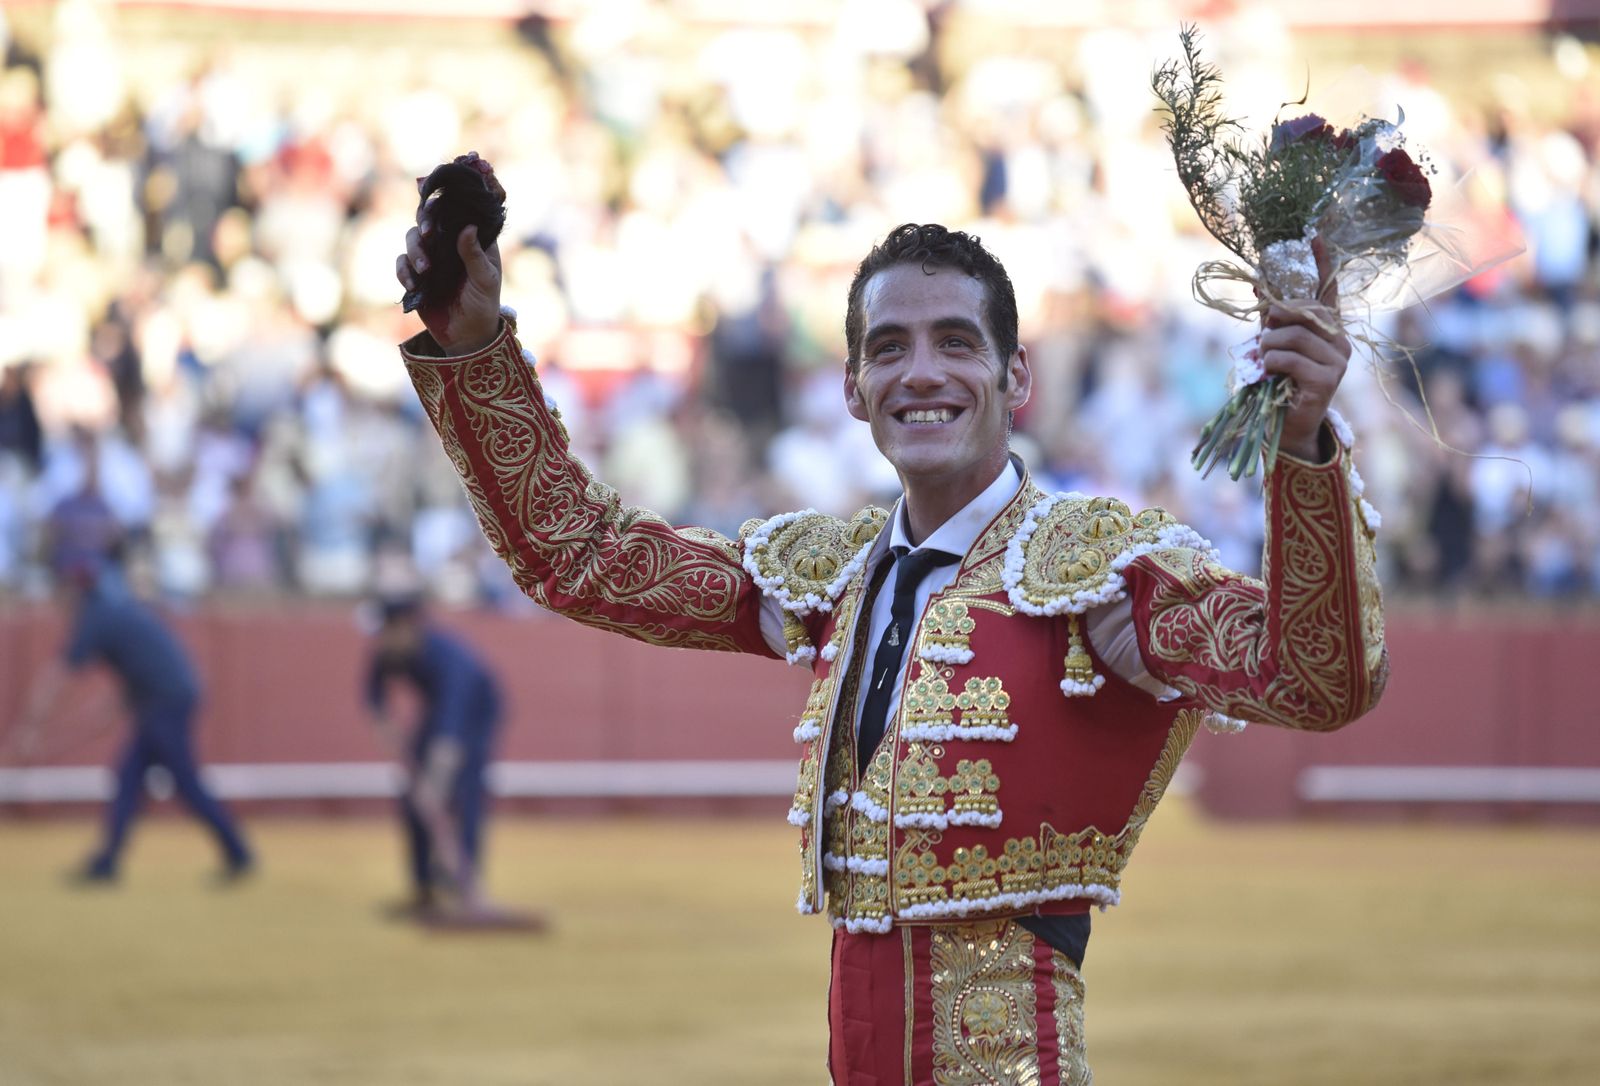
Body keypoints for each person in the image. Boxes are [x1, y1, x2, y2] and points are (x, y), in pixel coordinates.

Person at [394, 186, 1384, 1082]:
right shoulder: (829, 573)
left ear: (1014, 376)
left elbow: (1310, 679)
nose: (921, 374)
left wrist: (1299, 445)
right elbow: (585, 560)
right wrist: (476, 350)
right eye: (887, 348)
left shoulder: (1097, 572)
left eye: (956, 343)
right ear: (853, 391)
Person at [8, 555, 254, 884]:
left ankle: (237, 852)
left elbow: (60, 676)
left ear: (71, 591)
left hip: (164, 703)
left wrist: (31, 729)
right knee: (128, 778)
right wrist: (79, 725)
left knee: (183, 782)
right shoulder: (114, 610)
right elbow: (131, 683)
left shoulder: (95, 617)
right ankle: (108, 860)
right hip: (165, 698)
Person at [364, 596, 503, 919]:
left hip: (475, 715)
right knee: (414, 798)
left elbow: (452, 727)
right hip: (437, 714)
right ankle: (424, 888)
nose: (379, 641)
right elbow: (372, 685)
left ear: (405, 627)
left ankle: (464, 885)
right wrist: (381, 719)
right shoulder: (392, 647)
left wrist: (436, 780)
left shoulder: (450, 660)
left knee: (463, 794)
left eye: (384, 632)